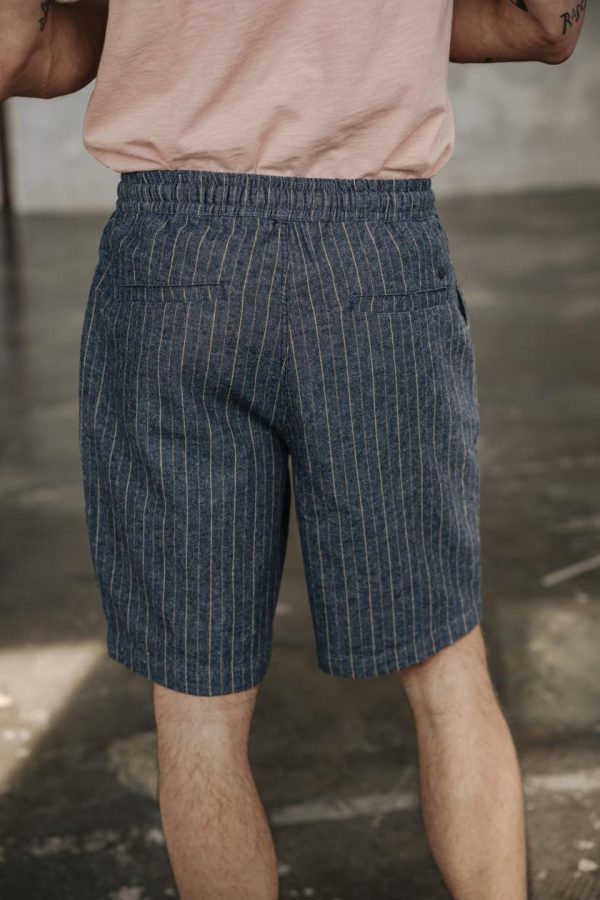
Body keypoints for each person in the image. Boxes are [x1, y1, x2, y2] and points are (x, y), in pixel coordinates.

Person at [1, 2, 585, 898]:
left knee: (198, 711)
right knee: (446, 672)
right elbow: (546, 24)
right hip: (373, 257)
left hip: (173, 267)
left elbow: (23, 49)